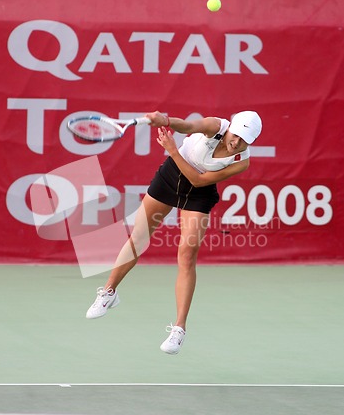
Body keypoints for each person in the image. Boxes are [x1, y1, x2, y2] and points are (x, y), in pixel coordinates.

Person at [85, 110, 262, 355]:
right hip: (170, 178)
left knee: (187, 256)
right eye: (236, 136)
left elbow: (200, 181)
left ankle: (179, 328)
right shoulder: (214, 126)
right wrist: (166, 121)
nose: (237, 143)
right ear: (229, 128)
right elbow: (187, 126)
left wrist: (173, 151)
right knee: (139, 237)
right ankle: (109, 292)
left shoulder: (241, 161)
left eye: (245, 140)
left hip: (199, 193)